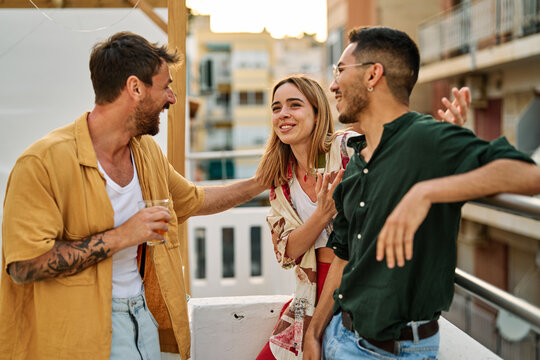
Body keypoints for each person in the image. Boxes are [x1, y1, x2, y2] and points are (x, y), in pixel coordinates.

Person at [0, 32, 265, 360]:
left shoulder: (146, 151)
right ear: (135, 88)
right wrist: (123, 236)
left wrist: (258, 184)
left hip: (143, 319)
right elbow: (24, 265)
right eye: (165, 85)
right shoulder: (42, 163)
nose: (172, 97)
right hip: (81, 333)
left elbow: (193, 200)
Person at [303, 26, 540, 360]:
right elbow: (343, 256)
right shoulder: (356, 161)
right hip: (338, 335)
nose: (333, 84)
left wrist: (426, 192)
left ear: (373, 74)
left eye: (341, 70)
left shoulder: (427, 139)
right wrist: (313, 335)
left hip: (393, 351)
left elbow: (530, 175)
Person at [254, 74, 470, 360]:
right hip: (309, 297)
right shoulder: (281, 181)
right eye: (276, 107)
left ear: (317, 113)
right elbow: (286, 252)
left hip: (355, 293)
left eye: (295, 105)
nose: (283, 114)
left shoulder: (347, 149)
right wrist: (321, 214)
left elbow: (399, 155)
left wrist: (444, 136)